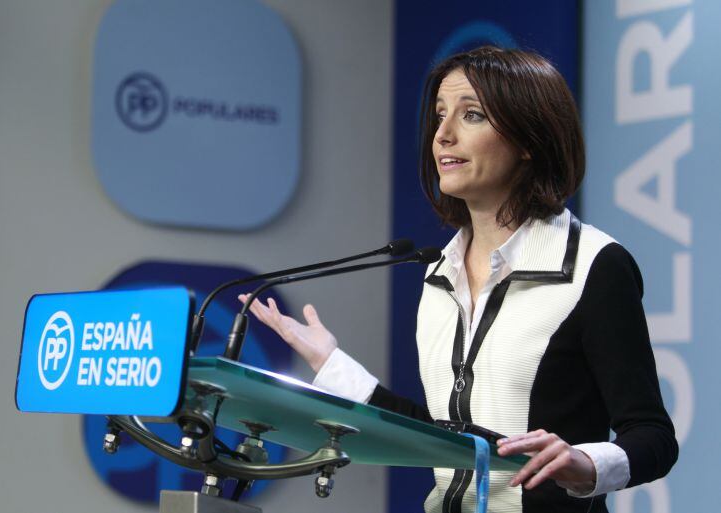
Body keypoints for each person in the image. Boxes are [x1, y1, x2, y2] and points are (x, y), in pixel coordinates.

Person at [239, 46, 678, 513]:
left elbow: (652, 436)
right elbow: (439, 434)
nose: (442, 135)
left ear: (529, 138)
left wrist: (585, 463)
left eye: (471, 115)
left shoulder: (595, 265)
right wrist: (331, 364)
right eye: (439, 116)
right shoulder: (438, 272)